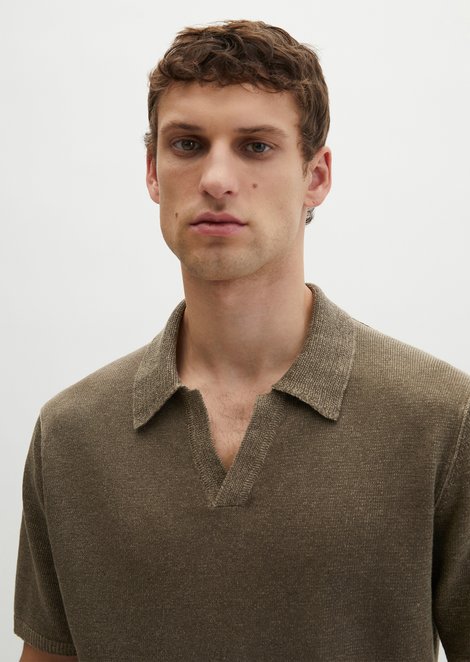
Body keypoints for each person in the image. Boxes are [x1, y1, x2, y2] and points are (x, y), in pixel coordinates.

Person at [14, 19, 470, 662]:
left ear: (317, 175)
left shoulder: (443, 420)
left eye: (256, 146)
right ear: (152, 171)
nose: (216, 178)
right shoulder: (70, 436)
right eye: (188, 144)